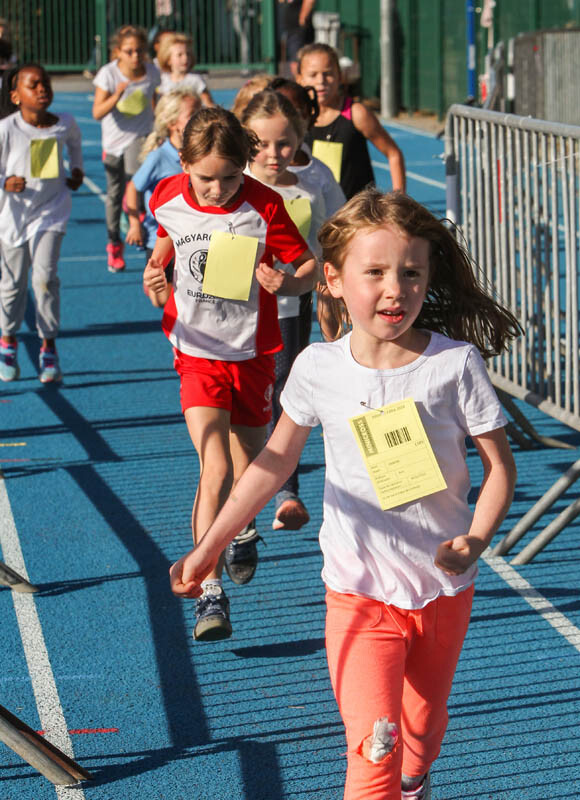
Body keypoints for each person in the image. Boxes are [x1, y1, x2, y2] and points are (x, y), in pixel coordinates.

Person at [169, 188, 521, 799]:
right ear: (332, 280)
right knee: (372, 745)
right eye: (375, 272)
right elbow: (272, 462)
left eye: (411, 273)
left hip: (441, 588)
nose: (396, 289)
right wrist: (210, 546)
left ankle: (417, 778)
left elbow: (501, 470)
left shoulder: (455, 365)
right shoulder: (317, 368)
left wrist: (475, 540)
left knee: (421, 729)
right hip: (357, 591)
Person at [144, 107, 317, 641]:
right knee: (214, 466)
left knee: (250, 469)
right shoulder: (166, 195)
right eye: (206, 178)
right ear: (183, 164)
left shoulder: (265, 205)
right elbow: (166, 237)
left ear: (245, 167)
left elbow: (307, 267)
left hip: (252, 353)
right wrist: (155, 273)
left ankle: (241, 528)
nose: (217, 190)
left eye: (230, 178)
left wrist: (285, 285)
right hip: (197, 352)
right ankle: (209, 592)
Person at [242, 89, 326, 531]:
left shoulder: (312, 186)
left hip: (290, 309)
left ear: (299, 139)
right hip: (234, 316)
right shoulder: (231, 183)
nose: (273, 154)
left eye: (284, 143)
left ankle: (286, 491)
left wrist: (299, 283)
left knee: (284, 393)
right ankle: (244, 492)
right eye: (261, 144)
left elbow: (330, 242)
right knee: (245, 403)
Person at [0, 64, 83, 383]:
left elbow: (75, 143)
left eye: (45, 83)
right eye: (33, 85)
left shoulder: (64, 123)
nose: (42, 89)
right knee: (13, 285)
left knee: (45, 279)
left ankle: (49, 347)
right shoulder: (7, 129)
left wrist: (76, 170)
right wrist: (6, 182)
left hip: (51, 211)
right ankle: (8, 340)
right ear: (15, 96)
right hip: (14, 217)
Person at [269, 75, 346, 350]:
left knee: (290, 359)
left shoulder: (318, 175)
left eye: (294, 111)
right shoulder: (244, 174)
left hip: (299, 284)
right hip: (252, 288)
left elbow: (340, 222)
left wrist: (335, 270)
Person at [297, 42, 405, 200]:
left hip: (356, 209)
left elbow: (393, 153)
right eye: (313, 75)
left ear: (340, 76)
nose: (321, 80)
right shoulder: (297, 119)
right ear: (300, 79)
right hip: (317, 207)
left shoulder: (356, 113)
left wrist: (399, 199)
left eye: (328, 73)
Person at [92, 24, 160, 273]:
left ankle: (138, 223)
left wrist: (158, 127)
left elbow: (155, 100)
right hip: (113, 142)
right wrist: (116, 95)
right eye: (129, 51)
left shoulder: (152, 72)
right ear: (118, 52)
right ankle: (114, 242)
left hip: (139, 137)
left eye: (139, 50)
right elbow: (97, 112)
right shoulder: (109, 75)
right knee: (114, 193)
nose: (135, 56)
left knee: (136, 181)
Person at [124, 88, 201, 305]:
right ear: (173, 123)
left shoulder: (200, 155)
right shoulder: (159, 157)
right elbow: (133, 187)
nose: (199, 118)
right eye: (192, 115)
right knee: (161, 300)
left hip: (192, 234)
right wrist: (134, 224)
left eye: (200, 112)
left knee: (188, 295)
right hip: (159, 235)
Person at [156, 32, 214, 107]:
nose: (185, 58)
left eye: (188, 54)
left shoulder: (195, 80)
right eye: (179, 55)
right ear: (168, 59)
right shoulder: (163, 81)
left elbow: (208, 104)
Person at [277, 0, 316, 77]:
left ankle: (299, 80)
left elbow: (310, 1)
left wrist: (303, 17)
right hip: (290, 29)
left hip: (298, 30)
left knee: (296, 60)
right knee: (294, 60)